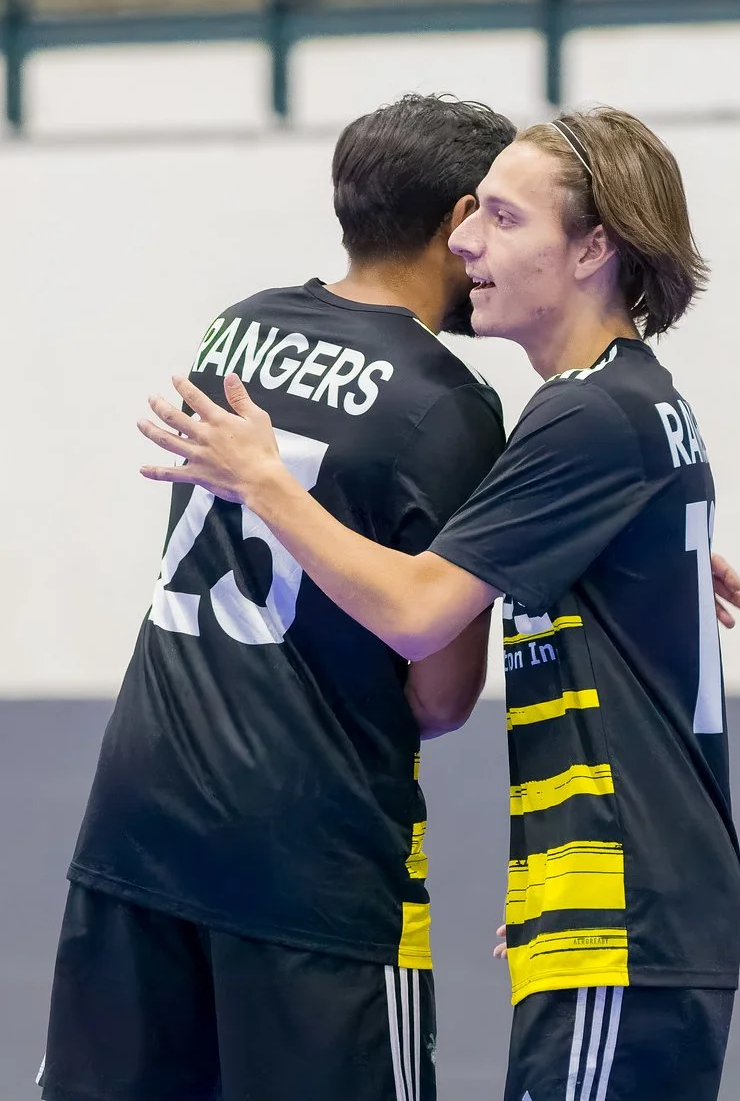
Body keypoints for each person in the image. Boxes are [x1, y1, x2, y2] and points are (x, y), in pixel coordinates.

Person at [139, 106, 740, 1101]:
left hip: (627, 907)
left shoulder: (590, 415)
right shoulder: (617, 408)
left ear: (594, 247)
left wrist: (266, 481)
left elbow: (420, 612)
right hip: (610, 900)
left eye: (505, 219)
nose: (465, 240)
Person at [38, 93, 518, 1101]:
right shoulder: (446, 401)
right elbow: (437, 698)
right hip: (311, 854)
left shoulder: (237, 329)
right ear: (458, 215)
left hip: (139, 823)